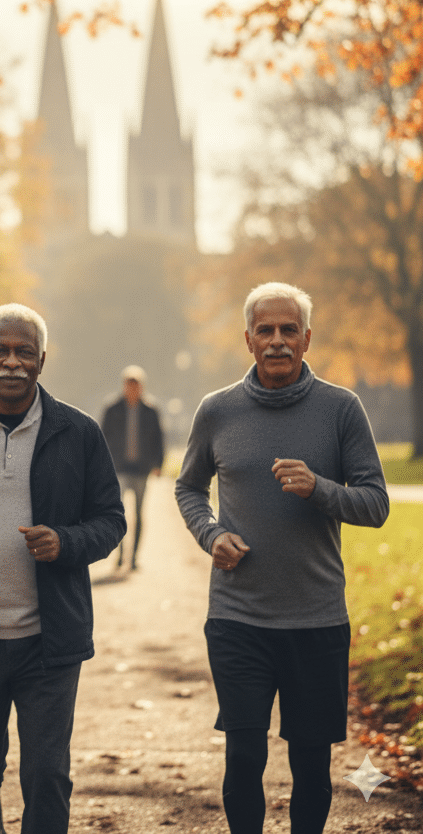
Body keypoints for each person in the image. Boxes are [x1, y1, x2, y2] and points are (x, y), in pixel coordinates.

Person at [175, 282, 389, 834]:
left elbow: (376, 504)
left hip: (317, 619)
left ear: (307, 338)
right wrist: (210, 533)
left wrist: (320, 488)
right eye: (265, 331)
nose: (276, 341)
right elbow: (189, 488)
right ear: (248, 340)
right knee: (244, 756)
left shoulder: (342, 409)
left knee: (311, 765)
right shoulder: (217, 410)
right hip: (237, 618)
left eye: (288, 330)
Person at [0, 303, 125, 834]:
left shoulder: (78, 432)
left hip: (49, 641)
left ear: (42, 360)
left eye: (24, 352)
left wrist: (67, 542)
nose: (12, 362)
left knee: (46, 777)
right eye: (1, 351)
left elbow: (111, 520)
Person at [100, 364, 164, 570]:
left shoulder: (150, 411)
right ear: (124, 387)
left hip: (141, 469)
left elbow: (158, 438)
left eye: (136, 386)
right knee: (118, 513)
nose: (133, 390)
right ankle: (119, 555)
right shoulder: (112, 409)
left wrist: (159, 464)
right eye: (129, 386)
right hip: (118, 468)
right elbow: (101, 438)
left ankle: (134, 557)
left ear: (142, 387)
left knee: (138, 513)